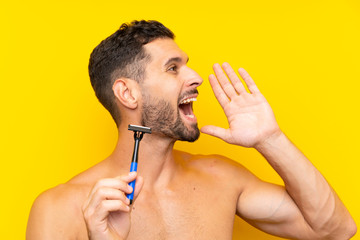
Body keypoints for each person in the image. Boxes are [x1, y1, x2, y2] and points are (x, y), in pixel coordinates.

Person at [26, 20, 356, 240]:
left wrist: (272, 139)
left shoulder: (222, 179)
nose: (195, 77)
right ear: (128, 93)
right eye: (173, 68)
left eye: (187, 64)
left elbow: (337, 230)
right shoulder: (61, 208)